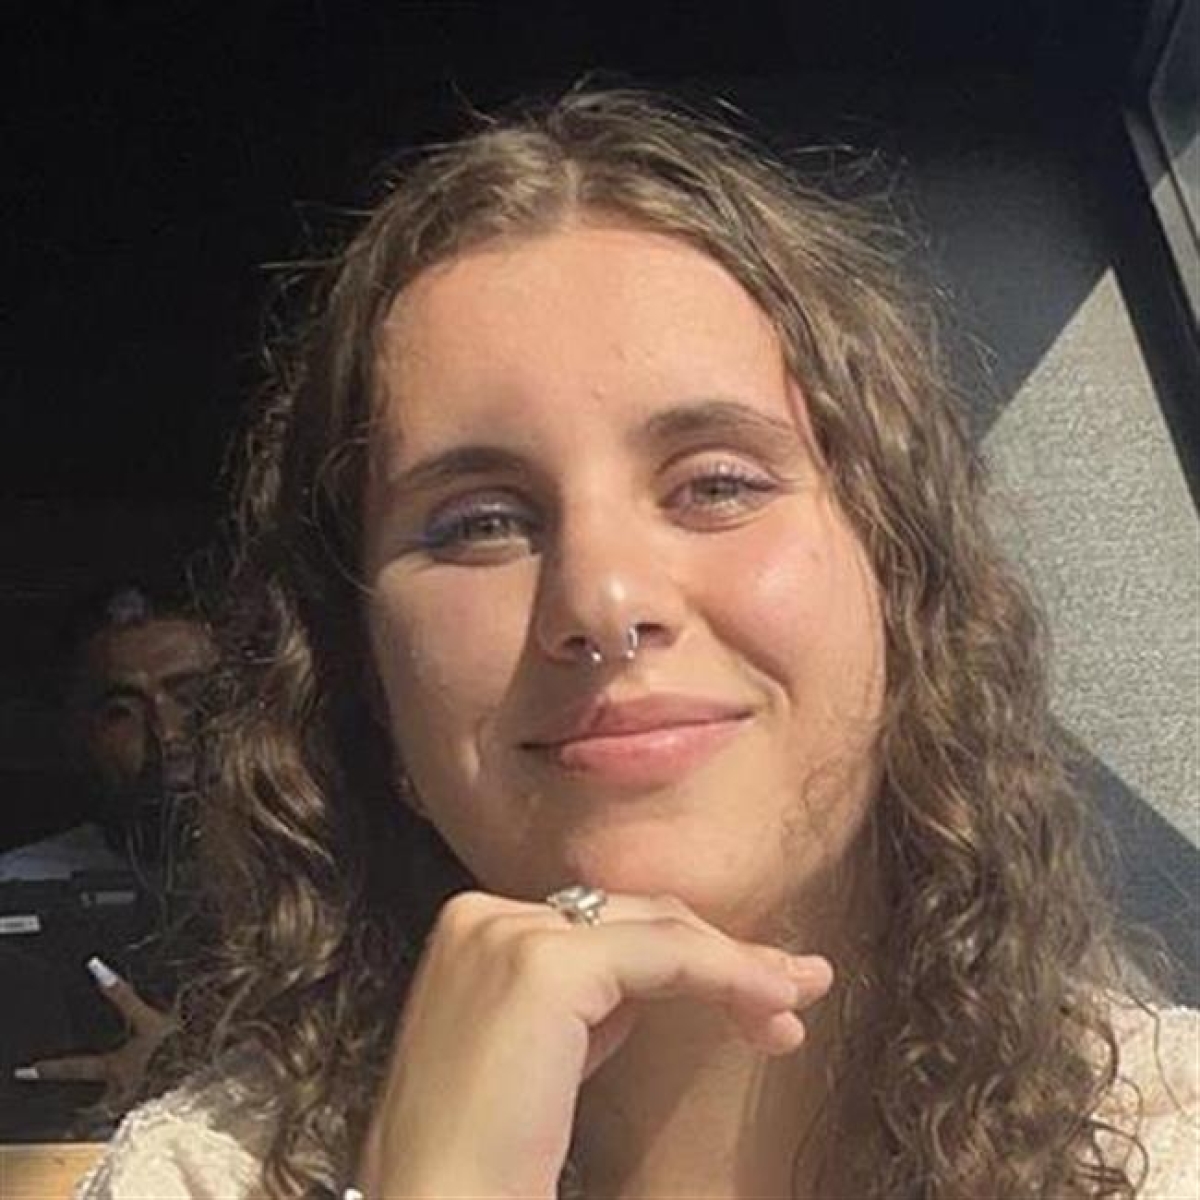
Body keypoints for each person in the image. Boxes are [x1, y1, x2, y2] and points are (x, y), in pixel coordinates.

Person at [77, 89, 1197, 1199]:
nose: (603, 601)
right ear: (367, 683)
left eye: (717, 484)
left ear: (905, 586)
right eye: (479, 521)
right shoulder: (197, 1178)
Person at [2, 583, 217, 1127]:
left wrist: (190, 1069)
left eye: (192, 698)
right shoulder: (21, 884)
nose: (167, 734)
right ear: (78, 734)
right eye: (121, 712)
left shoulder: (322, 880)